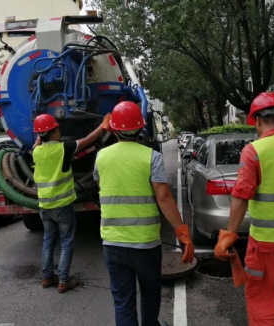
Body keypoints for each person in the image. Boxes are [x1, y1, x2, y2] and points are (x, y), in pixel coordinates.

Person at [214, 92, 274, 326]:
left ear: (257, 120)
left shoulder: (254, 151)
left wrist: (227, 237)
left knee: (264, 303)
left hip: (268, 247)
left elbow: (240, 198)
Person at [93, 101, 195, 326]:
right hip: (145, 244)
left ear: (114, 129)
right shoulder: (152, 157)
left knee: (122, 301)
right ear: (141, 128)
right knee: (150, 293)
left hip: (113, 242)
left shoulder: (101, 157)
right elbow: (164, 197)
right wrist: (182, 233)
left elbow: (102, 186)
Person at [33, 113, 111, 293]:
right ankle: (63, 280)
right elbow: (86, 140)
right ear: (52, 133)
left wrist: (40, 134)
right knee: (66, 242)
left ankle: (46, 277)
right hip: (62, 205)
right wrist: (103, 126)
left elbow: (37, 143)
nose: (59, 131)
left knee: (48, 241)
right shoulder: (63, 148)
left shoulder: (36, 151)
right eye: (57, 129)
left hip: (44, 206)